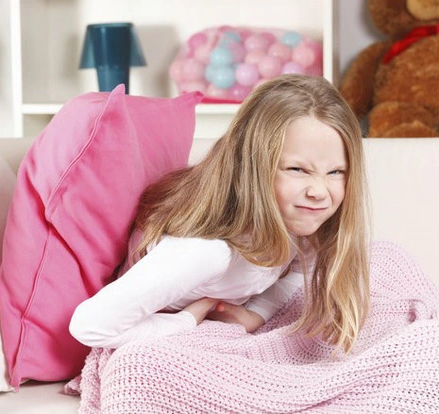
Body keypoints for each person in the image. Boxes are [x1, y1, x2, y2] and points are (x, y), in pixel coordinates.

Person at [69, 74, 370, 353]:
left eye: (335, 172)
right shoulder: (205, 252)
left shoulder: (303, 221)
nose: (319, 191)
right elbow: (90, 325)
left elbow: (300, 271)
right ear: (251, 167)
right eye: (297, 169)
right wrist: (186, 321)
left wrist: (256, 314)